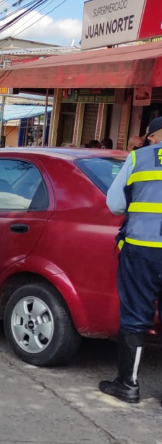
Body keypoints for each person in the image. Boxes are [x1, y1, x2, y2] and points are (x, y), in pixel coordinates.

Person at [101, 117, 162, 404]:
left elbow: (115, 204)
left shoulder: (139, 158)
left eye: (150, 137)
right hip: (143, 248)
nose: (149, 141)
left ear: (155, 135)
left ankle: (127, 385)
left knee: (136, 315)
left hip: (142, 249)